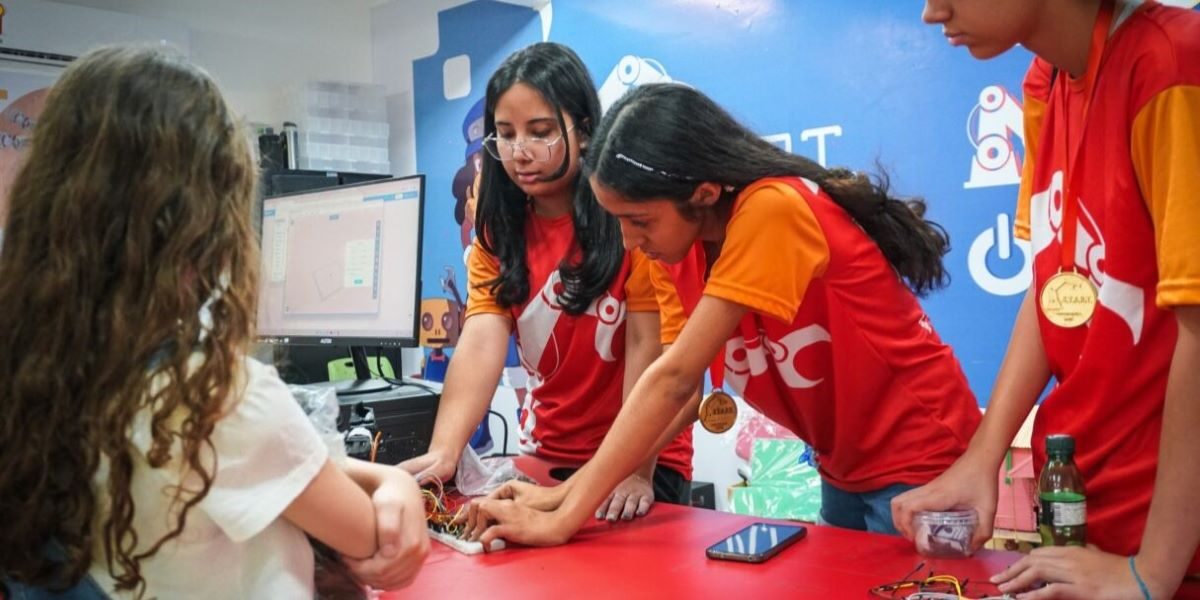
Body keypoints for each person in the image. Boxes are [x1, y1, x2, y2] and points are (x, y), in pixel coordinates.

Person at [461, 82, 982, 543]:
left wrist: (563, 516)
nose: (628, 241)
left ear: (704, 193)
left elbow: (674, 377)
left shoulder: (773, 208)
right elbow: (677, 389)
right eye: (617, 220)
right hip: (842, 468)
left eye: (639, 220)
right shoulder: (673, 250)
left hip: (923, 457)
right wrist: (565, 492)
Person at [0, 46, 428, 599]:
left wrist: (386, 476)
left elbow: (285, 472)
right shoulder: (210, 394)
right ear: (205, 222)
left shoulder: (36, 376)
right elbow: (370, 537)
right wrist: (397, 482)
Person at [892, 1, 1200, 598]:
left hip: (1170, 545)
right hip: (1088, 516)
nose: (933, 12)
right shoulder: (1045, 78)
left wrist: (1152, 571)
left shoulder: (1170, 63)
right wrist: (981, 461)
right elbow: (1056, 282)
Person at [397, 42, 695, 519]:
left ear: (585, 129)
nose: (520, 152)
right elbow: (481, 339)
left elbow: (647, 343)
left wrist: (634, 467)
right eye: (505, 135)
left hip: (642, 457)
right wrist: (445, 451)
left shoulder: (629, 218)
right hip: (548, 452)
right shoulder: (497, 229)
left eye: (540, 133)